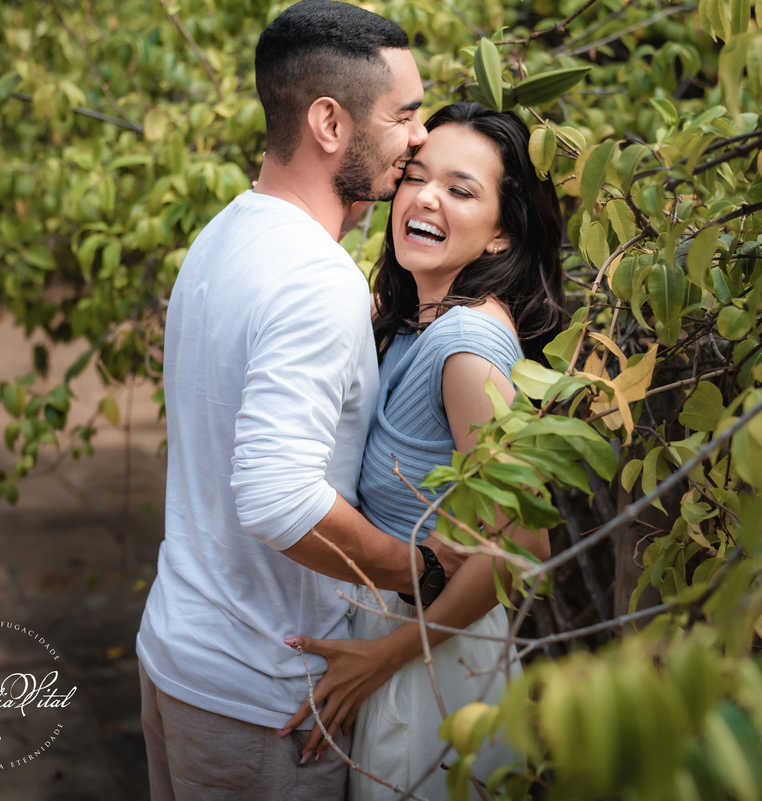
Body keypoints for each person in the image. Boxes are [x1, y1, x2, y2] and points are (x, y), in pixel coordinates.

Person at [135, 3, 465, 799]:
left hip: (179, 653)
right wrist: (418, 571)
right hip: (264, 692)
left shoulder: (224, 234)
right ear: (329, 122)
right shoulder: (316, 280)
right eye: (405, 115)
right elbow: (278, 497)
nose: (420, 137)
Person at [281, 102, 567, 801]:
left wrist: (382, 659)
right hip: (409, 639)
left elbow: (520, 544)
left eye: (461, 189)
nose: (425, 197)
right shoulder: (417, 318)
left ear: (502, 234)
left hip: (432, 658)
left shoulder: (466, 348)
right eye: (414, 175)